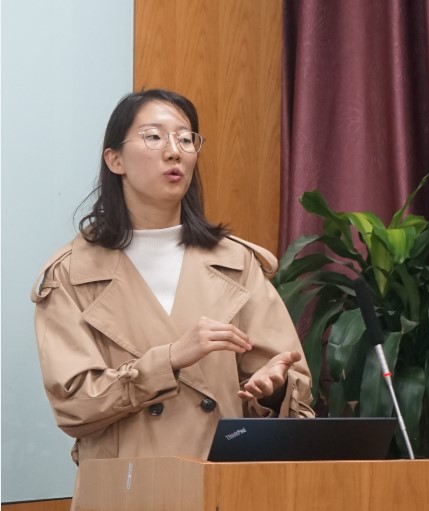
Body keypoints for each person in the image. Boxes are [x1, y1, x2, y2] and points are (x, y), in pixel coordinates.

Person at [31, 89, 314, 504]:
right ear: (115, 160)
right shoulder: (71, 273)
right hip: (125, 493)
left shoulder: (236, 262)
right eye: (153, 137)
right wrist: (168, 360)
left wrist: (272, 389)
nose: (174, 151)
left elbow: (291, 386)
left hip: (222, 490)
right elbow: (73, 405)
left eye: (185, 138)